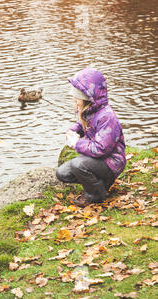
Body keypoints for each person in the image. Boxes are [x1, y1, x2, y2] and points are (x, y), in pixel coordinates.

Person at [56, 68, 126, 206]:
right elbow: (83, 126)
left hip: (111, 161)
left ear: (87, 97)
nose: (74, 100)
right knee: (62, 173)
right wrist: (73, 130)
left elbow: (100, 149)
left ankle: (96, 195)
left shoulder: (107, 117)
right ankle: (99, 184)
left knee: (78, 165)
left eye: (77, 97)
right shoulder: (90, 111)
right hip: (98, 160)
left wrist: (76, 143)